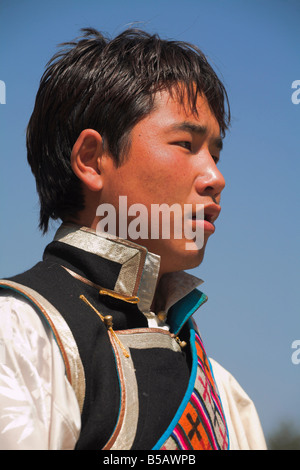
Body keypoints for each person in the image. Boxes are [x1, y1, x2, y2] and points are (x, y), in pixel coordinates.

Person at [0, 28, 266, 450]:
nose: (216, 178)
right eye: (185, 143)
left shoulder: (221, 391)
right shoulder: (20, 335)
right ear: (92, 160)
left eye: (214, 154)